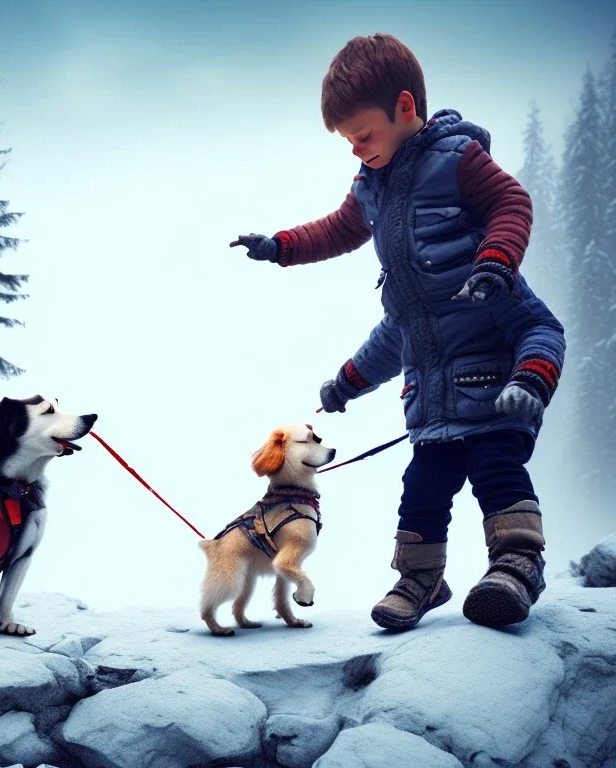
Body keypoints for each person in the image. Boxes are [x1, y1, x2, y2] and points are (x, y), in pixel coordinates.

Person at [230, 33, 565, 631]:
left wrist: (527, 372)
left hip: (494, 396)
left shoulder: (459, 165)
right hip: (432, 406)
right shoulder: (372, 188)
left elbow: (515, 214)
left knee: (497, 470)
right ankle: (421, 578)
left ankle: (516, 566)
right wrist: (280, 249)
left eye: (363, 135)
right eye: (347, 141)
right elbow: (348, 252)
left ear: (405, 108)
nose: (356, 151)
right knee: (422, 491)